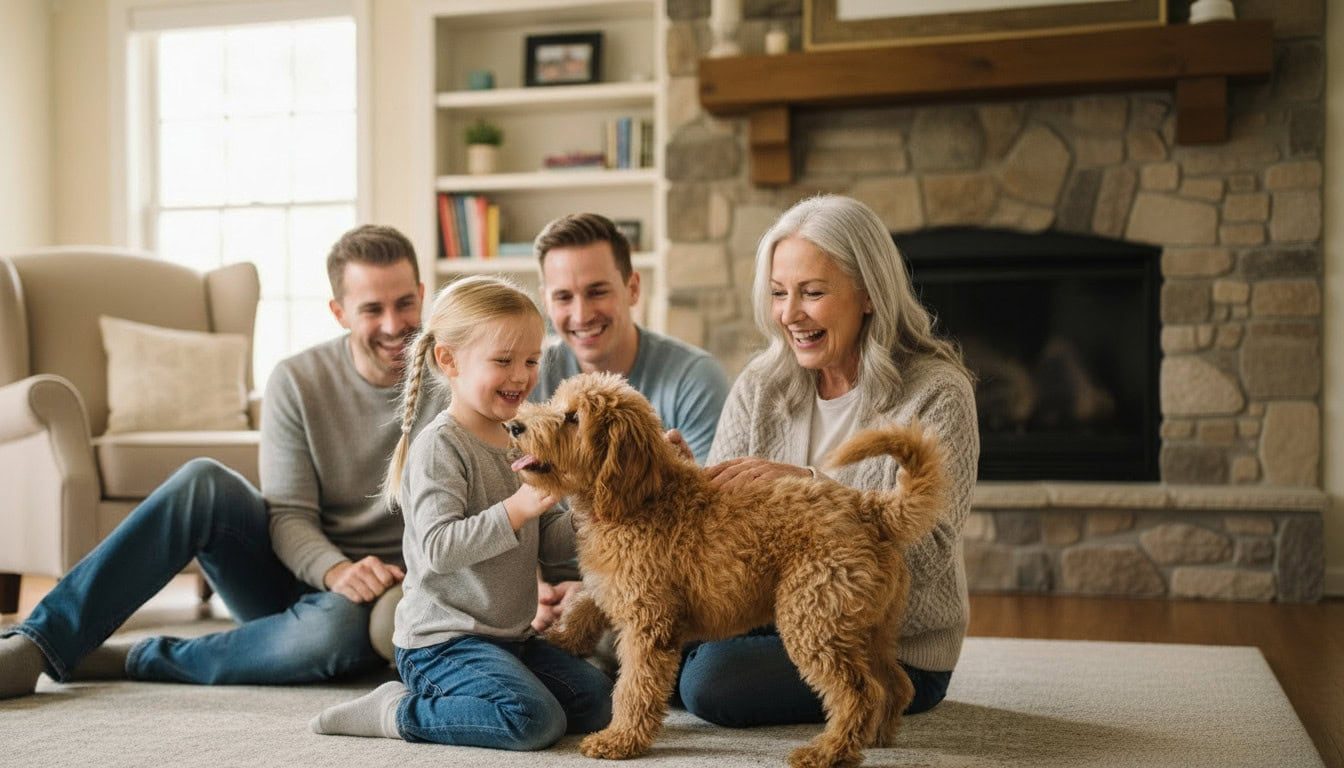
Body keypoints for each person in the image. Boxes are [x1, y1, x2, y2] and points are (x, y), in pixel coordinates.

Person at [0, 225, 440, 698]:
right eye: (372, 309)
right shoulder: (297, 380)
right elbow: (289, 516)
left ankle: (136, 657)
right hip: (294, 581)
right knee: (202, 482)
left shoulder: (456, 378)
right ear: (339, 312)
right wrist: (336, 572)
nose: (393, 325)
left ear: (421, 295)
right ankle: (38, 644)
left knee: (340, 629)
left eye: (404, 304)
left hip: (387, 602)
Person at [677, 194, 979, 726]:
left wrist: (811, 486)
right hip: (764, 616)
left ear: (869, 294)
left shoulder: (938, 393)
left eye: (812, 293)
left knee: (710, 683)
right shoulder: (761, 384)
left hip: (885, 643)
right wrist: (677, 483)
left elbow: (926, 555)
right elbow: (716, 528)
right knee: (634, 631)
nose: (789, 314)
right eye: (779, 293)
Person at [310, 276, 612, 749]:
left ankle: (487, 691)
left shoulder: (522, 436)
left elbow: (551, 543)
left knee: (600, 703)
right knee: (533, 721)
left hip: (511, 638)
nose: (521, 376)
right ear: (449, 360)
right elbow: (438, 549)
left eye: (531, 360)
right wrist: (515, 509)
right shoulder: (440, 446)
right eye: (503, 361)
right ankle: (396, 710)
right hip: (441, 643)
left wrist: (591, 513)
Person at [527, 212, 730, 628]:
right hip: (542, 593)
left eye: (597, 291)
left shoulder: (693, 377)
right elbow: (499, 498)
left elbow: (706, 525)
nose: (581, 314)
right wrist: (526, 588)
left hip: (650, 587)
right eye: (563, 297)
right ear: (546, 301)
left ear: (633, 287)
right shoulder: (527, 374)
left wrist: (600, 593)